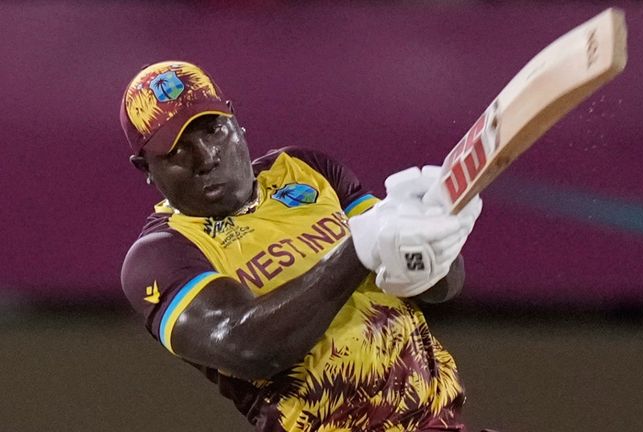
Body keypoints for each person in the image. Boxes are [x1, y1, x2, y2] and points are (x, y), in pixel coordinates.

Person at [119, 61, 482, 432]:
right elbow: (249, 347)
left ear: (235, 121)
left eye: (213, 129)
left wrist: (439, 240)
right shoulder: (160, 255)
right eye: (177, 149)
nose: (206, 156)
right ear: (145, 167)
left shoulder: (305, 169)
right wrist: (357, 248)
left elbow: (438, 288)